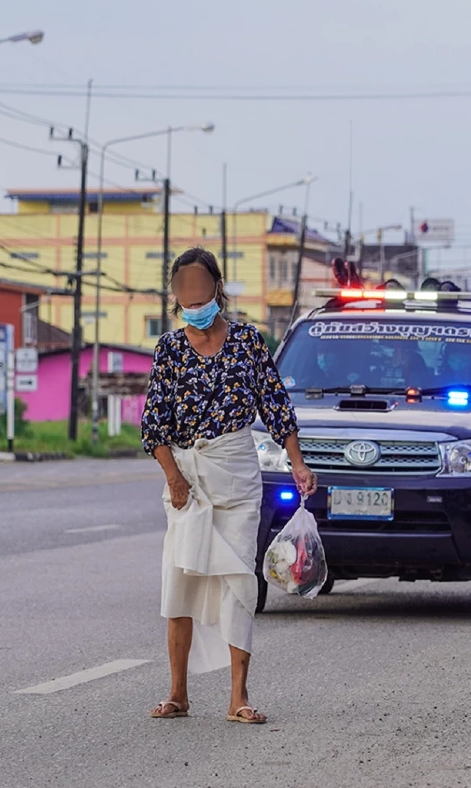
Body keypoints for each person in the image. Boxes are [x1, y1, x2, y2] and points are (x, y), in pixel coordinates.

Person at [141, 247, 317, 725]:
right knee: (179, 580)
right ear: (176, 295)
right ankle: (178, 693)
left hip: (236, 475)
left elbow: (276, 405)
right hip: (187, 477)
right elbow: (154, 425)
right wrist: (174, 478)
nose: (193, 296)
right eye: (183, 288)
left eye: (200, 286)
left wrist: (298, 463)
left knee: (240, 579)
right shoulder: (169, 349)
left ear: (217, 287)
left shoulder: (247, 342)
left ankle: (239, 696)